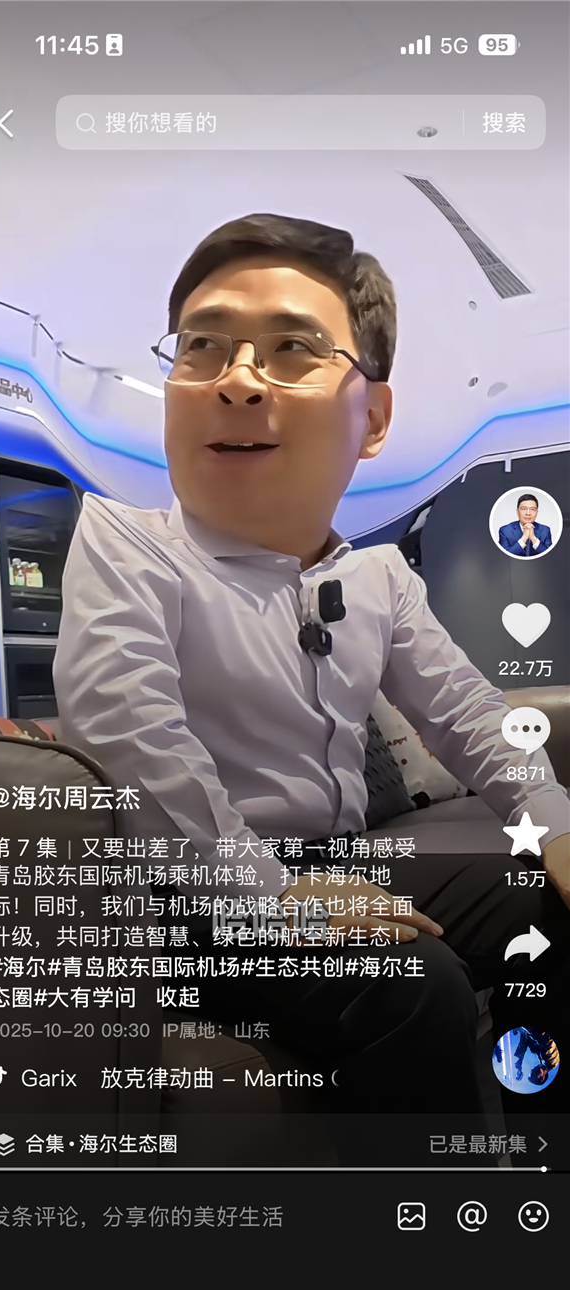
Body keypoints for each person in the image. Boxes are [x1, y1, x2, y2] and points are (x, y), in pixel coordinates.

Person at [52, 214, 570, 1130]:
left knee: (543, 900)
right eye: (203, 346)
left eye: (292, 348)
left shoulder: (379, 579)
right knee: (409, 981)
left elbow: (470, 717)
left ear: (372, 419)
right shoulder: (127, 546)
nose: (237, 380)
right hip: (193, 895)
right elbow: (134, 743)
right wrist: (278, 898)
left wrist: (558, 827)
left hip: (347, 864)